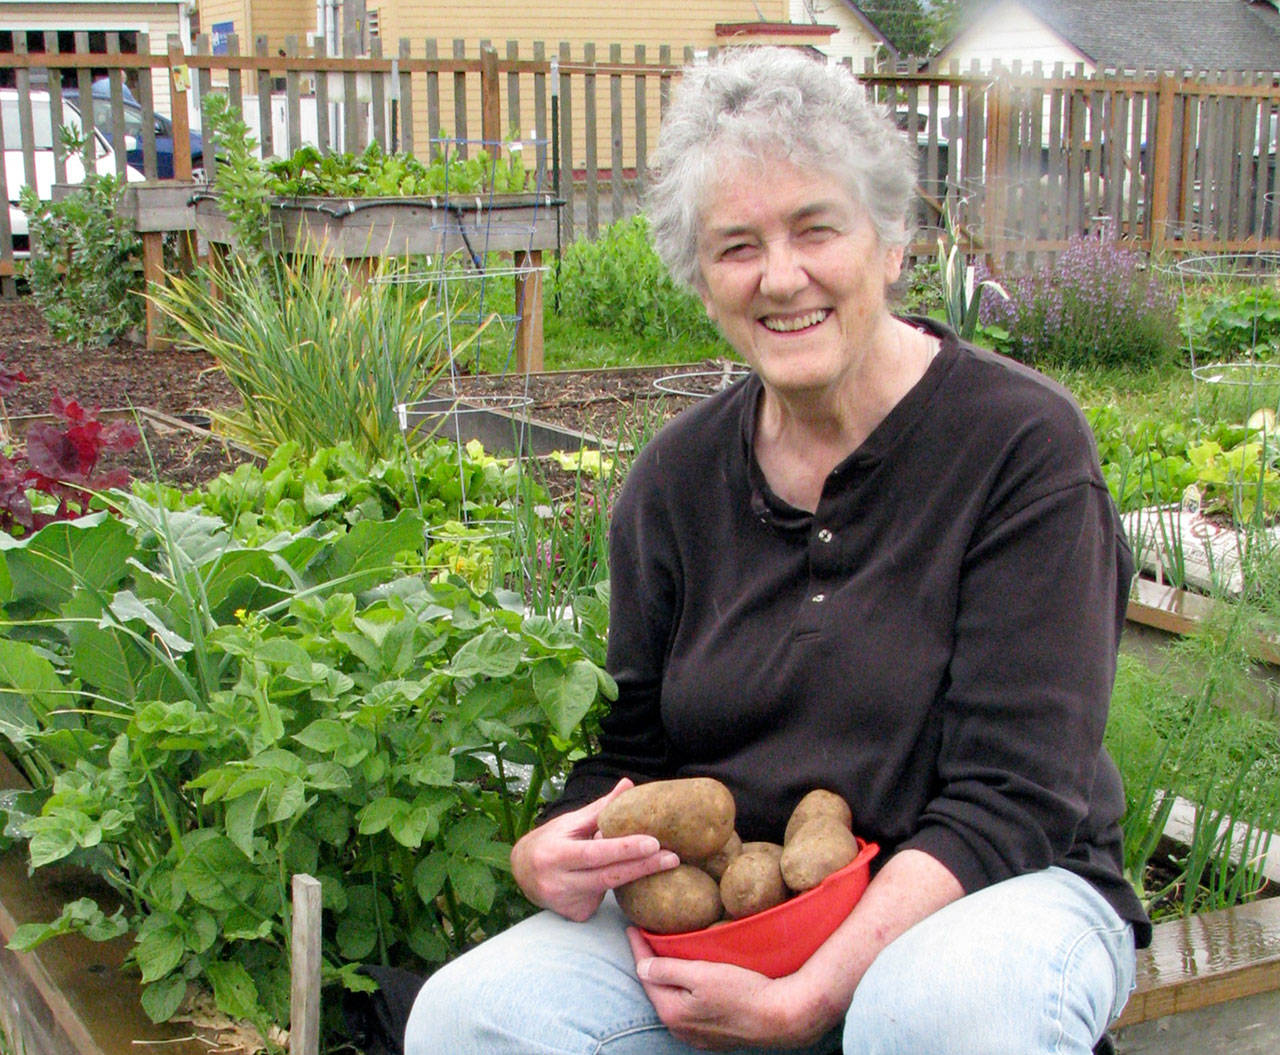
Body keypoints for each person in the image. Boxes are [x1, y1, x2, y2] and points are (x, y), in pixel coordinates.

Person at [404, 46, 1150, 1055]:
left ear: (890, 242)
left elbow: (1014, 796)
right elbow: (633, 753)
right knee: (472, 1017)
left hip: (995, 889)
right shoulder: (674, 479)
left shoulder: (1019, 447)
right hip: (740, 903)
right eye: (737, 245)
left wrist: (811, 993)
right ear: (701, 279)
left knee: (939, 1011)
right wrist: (550, 847)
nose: (781, 276)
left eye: (815, 228)